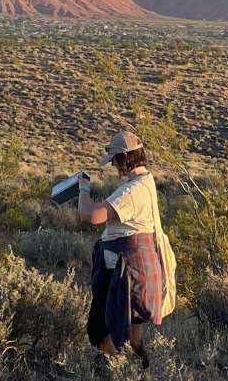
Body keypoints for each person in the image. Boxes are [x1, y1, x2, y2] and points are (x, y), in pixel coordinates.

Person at [78, 130, 164, 369]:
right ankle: (136, 371)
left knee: (99, 330)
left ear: (125, 157)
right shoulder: (143, 181)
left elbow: (89, 215)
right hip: (136, 272)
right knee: (133, 341)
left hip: (125, 272)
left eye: (115, 160)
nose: (115, 166)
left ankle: (119, 370)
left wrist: (83, 189)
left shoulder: (132, 190)